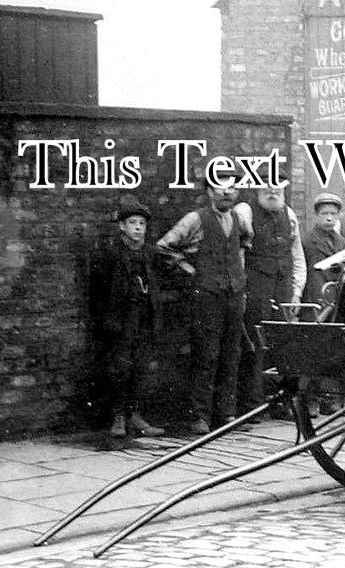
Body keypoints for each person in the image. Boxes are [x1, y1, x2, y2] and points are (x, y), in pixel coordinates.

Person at [157, 180, 251, 435]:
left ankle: (226, 412)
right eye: (220, 187)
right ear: (210, 191)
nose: (226, 192)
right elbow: (163, 246)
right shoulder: (195, 219)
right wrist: (187, 268)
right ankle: (200, 416)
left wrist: (238, 276)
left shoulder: (240, 219)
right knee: (206, 355)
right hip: (206, 297)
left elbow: (244, 244)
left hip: (234, 295)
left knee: (232, 354)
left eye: (232, 188)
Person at [89, 197, 165, 438]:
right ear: (122, 226)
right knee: (120, 369)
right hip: (122, 320)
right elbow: (98, 292)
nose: (138, 228)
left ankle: (136, 415)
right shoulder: (111, 255)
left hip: (145, 318)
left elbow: (159, 283)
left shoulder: (151, 254)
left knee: (142, 370)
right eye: (132, 222)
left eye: (142, 223)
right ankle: (118, 417)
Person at [233, 181, 305, 419]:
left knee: (282, 344)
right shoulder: (245, 211)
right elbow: (238, 253)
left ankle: (279, 402)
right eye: (267, 186)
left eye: (278, 187)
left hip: (282, 289)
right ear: (256, 189)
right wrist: (241, 289)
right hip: (256, 288)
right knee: (254, 344)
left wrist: (296, 292)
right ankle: (252, 404)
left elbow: (297, 257)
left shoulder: (290, 214)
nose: (272, 192)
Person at [302, 192, 345, 320]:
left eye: (333, 214)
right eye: (325, 214)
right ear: (316, 215)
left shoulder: (341, 242)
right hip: (314, 299)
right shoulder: (307, 240)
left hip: (335, 298)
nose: (329, 218)